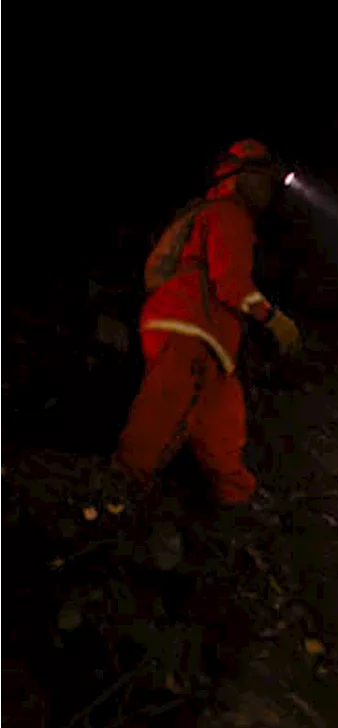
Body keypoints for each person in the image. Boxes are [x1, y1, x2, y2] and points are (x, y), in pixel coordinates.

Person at [111, 139, 301, 513]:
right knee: (164, 409)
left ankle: (238, 500)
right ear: (240, 177)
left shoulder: (216, 212)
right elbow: (230, 283)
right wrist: (273, 319)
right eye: (262, 179)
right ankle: (116, 491)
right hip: (189, 327)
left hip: (208, 338)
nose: (268, 190)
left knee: (222, 424)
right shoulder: (228, 213)